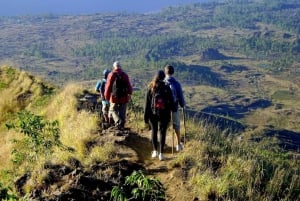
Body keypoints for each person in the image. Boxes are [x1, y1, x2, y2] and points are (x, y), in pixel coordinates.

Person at [144, 70, 174, 161]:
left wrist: (145, 117)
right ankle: (161, 153)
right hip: (164, 114)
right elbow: (171, 103)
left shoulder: (150, 87)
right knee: (163, 132)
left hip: (153, 114)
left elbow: (147, 104)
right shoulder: (166, 88)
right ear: (163, 77)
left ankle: (154, 151)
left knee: (154, 131)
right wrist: (171, 113)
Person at [104, 61, 132, 130]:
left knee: (113, 110)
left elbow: (108, 87)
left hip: (114, 97)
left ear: (114, 67)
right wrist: (130, 93)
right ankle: (122, 125)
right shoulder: (125, 75)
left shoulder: (111, 75)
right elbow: (129, 86)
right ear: (120, 66)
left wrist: (106, 97)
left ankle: (118, 121)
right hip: (124, 97)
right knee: (122, 111)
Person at [164, 64, 185, 152]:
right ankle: (178, 144)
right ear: (173, 72)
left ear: (165, 72)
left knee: (164, 126)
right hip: (174, 108)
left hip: (164, 109)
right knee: (176, 126)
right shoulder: (176, 84)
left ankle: (163, 143)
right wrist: (182, 104)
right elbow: (180, 97)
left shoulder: (163, 83)